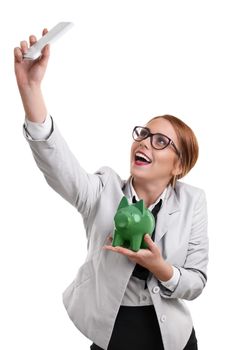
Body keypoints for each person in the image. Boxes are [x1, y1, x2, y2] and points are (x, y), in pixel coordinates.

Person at [14, 28, 208, 350]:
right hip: (113, 335)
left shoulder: (193, 201)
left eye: (160, 141)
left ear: (178, 166)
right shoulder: (102, 190)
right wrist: (30, 88)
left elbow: (196, 282)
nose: (145, 142)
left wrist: (161, 268)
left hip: (174, 338)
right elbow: (57, 163)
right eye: (144, 134)